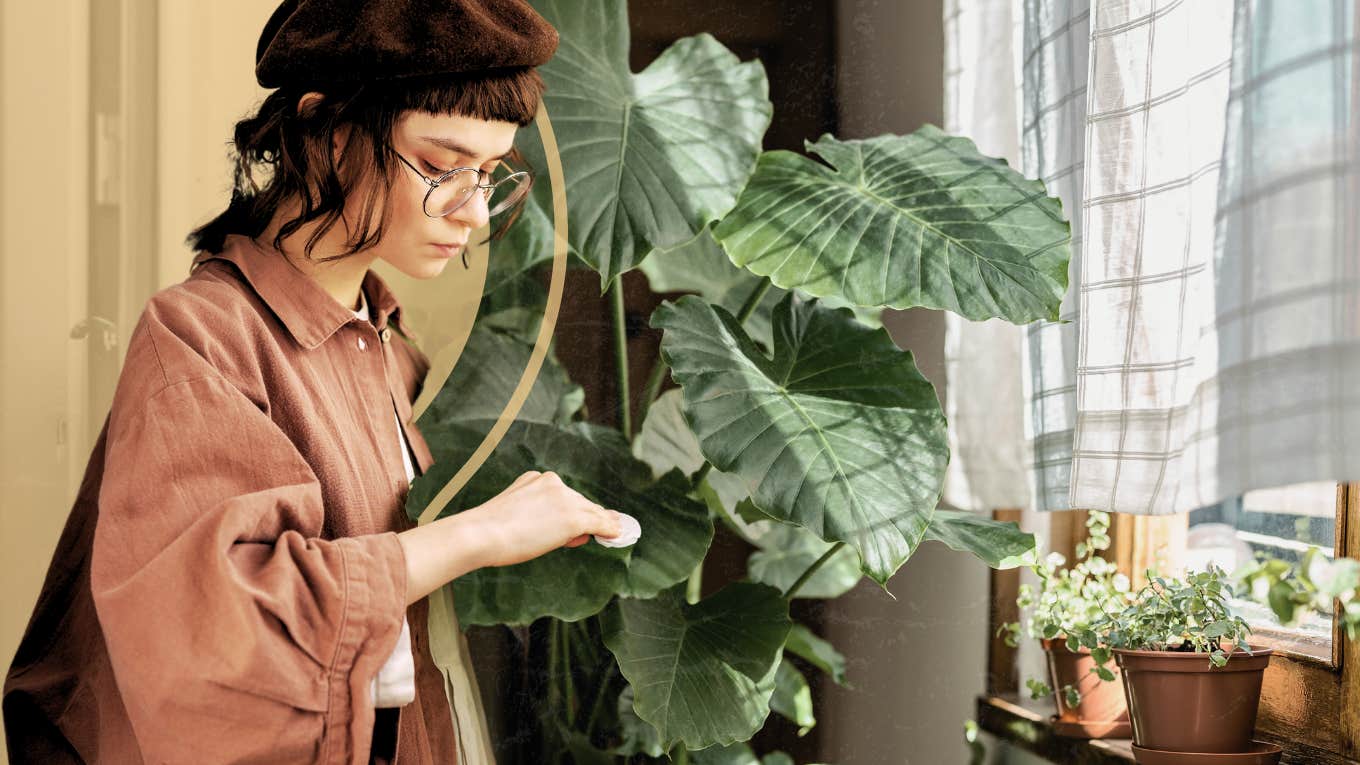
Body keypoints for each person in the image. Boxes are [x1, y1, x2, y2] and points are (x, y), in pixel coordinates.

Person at [1, 1, 628, 762]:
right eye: (438, 166)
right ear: (328, 130)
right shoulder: (198, 337)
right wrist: (477, 535)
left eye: (489, 174)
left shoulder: (388, 347)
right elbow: (215, 629)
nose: (470, 211)